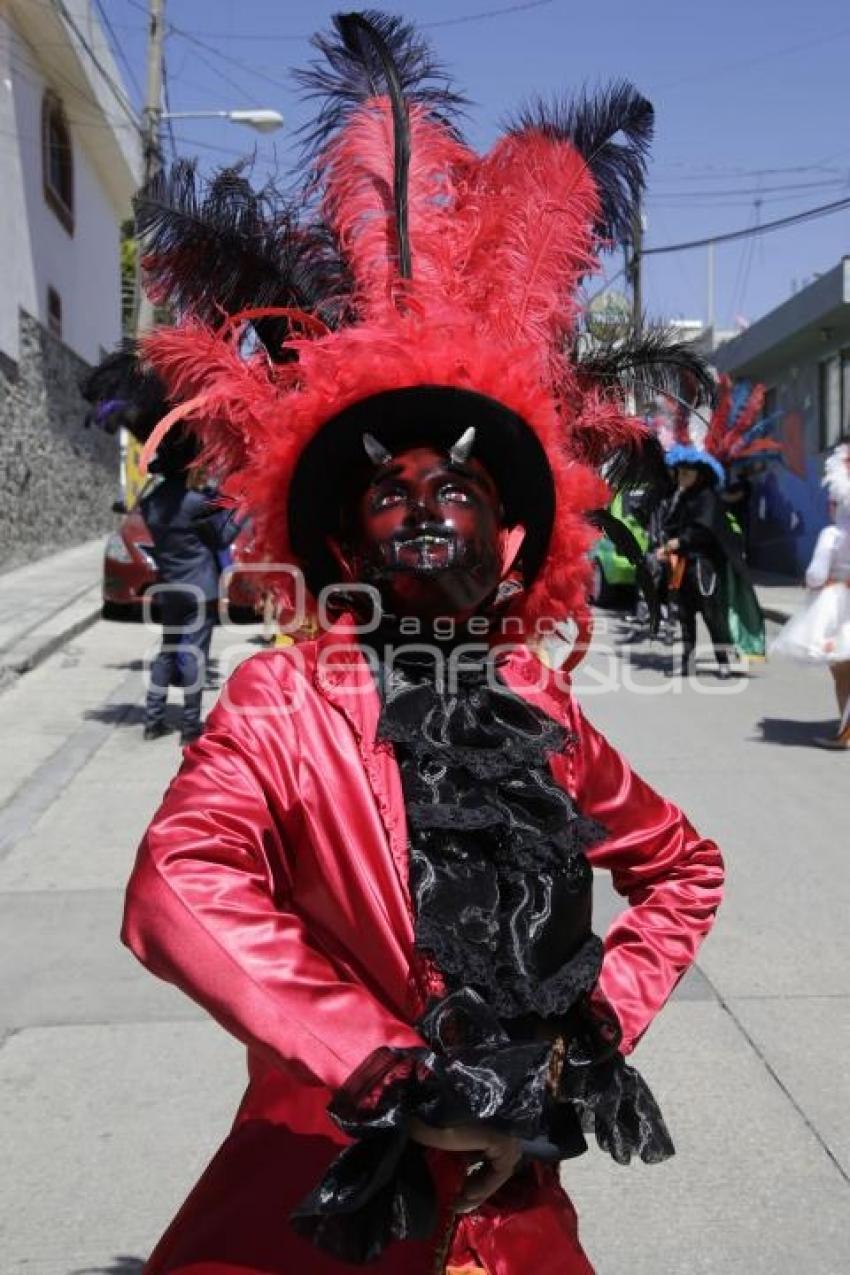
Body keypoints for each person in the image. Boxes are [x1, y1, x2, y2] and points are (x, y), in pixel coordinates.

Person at [120, 13, 723, 1274]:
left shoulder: (536, 707)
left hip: (517, 1214)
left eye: (456, 490)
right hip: (325, 1188)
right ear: (344, 546)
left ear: (508, 540)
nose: (421, 508)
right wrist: (392, 1070)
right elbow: (182, 885)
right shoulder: (287, 702)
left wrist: (579, 1041)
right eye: (385, 492)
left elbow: (683, 869)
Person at [140, 435, 241, 744]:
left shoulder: (151, 503)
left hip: (170, 585)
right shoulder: (197, 502)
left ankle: (153, 720)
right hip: (200, 587)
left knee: (167, 650)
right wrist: (233, 507)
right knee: (195, 653)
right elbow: (223, 538)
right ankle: (189, 726)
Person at [659, 445, 764, 677]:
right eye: (680, 473)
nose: (681, 477)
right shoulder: (681, 498)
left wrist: (680, 542)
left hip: (702, 567)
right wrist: (667, 545)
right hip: (681, 567)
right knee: (685, 616)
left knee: (712, 616)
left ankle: (723, 661)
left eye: (687, 473)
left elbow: (705, 531)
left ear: (699, 475)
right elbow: (670, 526)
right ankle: (687, 663)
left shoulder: (708, 498)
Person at [771, 444, 850, 749]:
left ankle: (845, 731)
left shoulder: (832, 535)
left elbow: (816, 574)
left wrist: (814, 581)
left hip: (837, 605)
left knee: (842, 672)